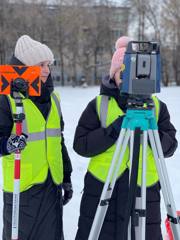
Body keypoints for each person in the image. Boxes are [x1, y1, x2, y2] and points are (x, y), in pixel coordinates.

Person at [73, 36, 178, 240]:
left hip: (145, 190)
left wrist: (150, 133)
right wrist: (113, 130)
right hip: (103, 189)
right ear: (114, 75)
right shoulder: (99, 105)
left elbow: (170, 146)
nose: (133, 78)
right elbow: (81, 144)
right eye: (125, 73)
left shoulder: (157, 108)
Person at [0, 35, 73, 240]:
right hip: (22, 189)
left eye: (48, 64)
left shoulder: (53, 98)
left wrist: (66, 177)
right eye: (41, 65)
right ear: (25, 67)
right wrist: (8, 144)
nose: (47, 70)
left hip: (51, 186)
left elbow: (58, 141)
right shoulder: (6, 99)